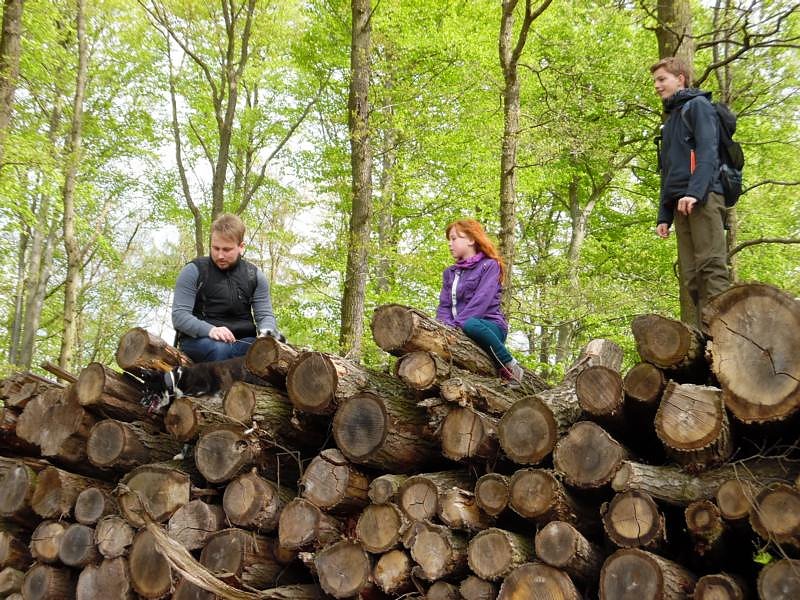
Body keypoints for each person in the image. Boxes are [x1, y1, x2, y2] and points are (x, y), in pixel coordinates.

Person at [651, 57, 730, 329]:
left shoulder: (698, 106)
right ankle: (707, 337)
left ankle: (725, 335)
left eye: (662, 79)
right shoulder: (671, 119)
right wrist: (664, 216)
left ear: (681, 78)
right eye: (655, 81)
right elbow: (669, 171)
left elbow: (708, 152)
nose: (657, 86)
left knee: (711, 267)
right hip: (680, 204)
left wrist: (695, 193)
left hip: (704, 197)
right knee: (691, 277)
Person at [171, 213, 280, 363]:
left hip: (242, 341)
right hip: (200, 340)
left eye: (227, 250)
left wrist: (266, 334)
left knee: (270, 352)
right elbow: (179, 316)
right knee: (219, 349)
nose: (220, 255)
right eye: (215, 248)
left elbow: (265, 316)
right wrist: (211, 330)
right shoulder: (194, 271)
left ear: (241, 247)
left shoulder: (254, 276)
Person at [435, 219, 524, 384]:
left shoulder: (490, 266)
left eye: (454, 239)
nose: (450, 244)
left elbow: (481, 302)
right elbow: (444, 306)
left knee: (471, 323)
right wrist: (443, 327)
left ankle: (510, 364)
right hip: (458, 328)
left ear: (471, 239)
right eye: (449, 240)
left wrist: (456, 326)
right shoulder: (450, 273)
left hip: (488, 327)